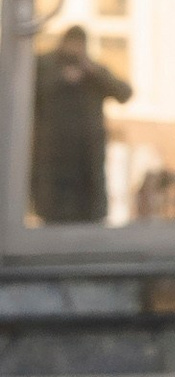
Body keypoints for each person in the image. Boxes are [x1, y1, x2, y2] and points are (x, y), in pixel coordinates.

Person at [28, 23, 130, 229]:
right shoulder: (44, 65)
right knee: (54, 212)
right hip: (52, 153)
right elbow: (26, 90)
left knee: (89, 213)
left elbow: (124, 93)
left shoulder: (92, 71)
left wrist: (92, 73)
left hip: (87, 154)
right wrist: (60, 79)